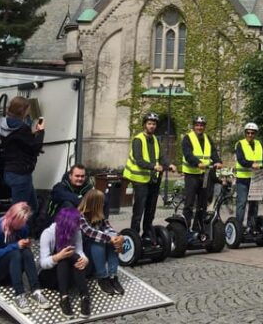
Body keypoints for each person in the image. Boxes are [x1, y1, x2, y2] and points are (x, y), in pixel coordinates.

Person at [0, 202, 50, 314]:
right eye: (21, 222)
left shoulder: (23, 228)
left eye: (25, 222)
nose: (23, 224)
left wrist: (25, 244)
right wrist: (15, 245)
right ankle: (19, 295)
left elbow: (21, 247)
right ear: (14, 218)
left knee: (26, 252)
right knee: (15, 253)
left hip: (10, 269)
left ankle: (36, 291)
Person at [122, 112, 176, 242]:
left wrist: (169, 164)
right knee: (139, 210)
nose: (152, 126)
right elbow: (139, 160)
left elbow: (161, 156)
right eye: (149, 123)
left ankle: (147, 233)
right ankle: (134, 236)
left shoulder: (155, 140)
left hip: (153, 179)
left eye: (154, 124)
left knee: (151, 209)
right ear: (144, 125)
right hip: (140, 180)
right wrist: (153, 166)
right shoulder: (138, 140)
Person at [38, 207, 90, 317]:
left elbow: (79, 251)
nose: (78, 227)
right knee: (64, 258)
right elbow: (43, 263)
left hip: (68, 276)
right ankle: (64, 298)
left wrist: (85, 260)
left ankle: (85, 297)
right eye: (75, 224)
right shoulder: (47, 234)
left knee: (75, 257)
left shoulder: (76, 231)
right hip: (50, 277)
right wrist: (58, 256)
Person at [0, 96, 44, 216]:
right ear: (22, 110)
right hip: (21, 174)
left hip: (9, 171)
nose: (28, 112)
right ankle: (15, 234)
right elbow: (35, 147)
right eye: (27, 109)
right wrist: (41, 132)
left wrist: (30, 134)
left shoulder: (3, 124)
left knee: (33, 206)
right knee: (20, 213)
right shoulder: (23, 128)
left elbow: (16, 142)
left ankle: (29, 232)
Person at [78, 189, 124, 296]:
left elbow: (108, 228)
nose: (104, 204)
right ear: (95, 203)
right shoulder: (79, 216)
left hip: (97, 252)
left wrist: (117, 238)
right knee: (98, 242)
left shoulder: (99, 215)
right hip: (84, 252)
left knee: (111, 241)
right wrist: (110, 238)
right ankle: (102, 277)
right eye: (102, 202)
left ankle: (113, 276)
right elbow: (90, 232)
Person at [181, 116, 223, 231]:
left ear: (204, 127)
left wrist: (218, 161)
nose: (199, 127)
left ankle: (198, 227)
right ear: (194, 126)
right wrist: (197, 163)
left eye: (202, 125)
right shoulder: (187, 138)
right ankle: (185, 229)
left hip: (204, 175)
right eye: (197, 125)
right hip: (191, 175)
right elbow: (188, 154)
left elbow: (213, 152)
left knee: (202, 204)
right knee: (189, 203)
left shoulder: (207, 138)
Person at [234, 122, 263, 229]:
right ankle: (239, 227)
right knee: (242, 203)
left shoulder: (259, 144)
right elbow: (241, 160)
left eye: (252, 133)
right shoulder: (240, 144)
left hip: (256, 179)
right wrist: (251, 164)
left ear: (255, 134)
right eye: (248, 133)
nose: (250, 135)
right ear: (245, 133)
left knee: (254, 204)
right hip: (243, 178)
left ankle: (251, 226)